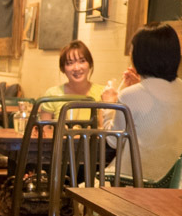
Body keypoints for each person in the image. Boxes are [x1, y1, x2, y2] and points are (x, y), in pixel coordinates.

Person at [102, 23, 182, 180]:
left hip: (130, 183)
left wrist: (108, 105)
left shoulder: (129, 96)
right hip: (173, 187)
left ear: (140, 55)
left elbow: (112, 141)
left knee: (81, 189)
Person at [39, 40, 104, 121]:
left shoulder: (103, 93)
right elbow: (44, 131)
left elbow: (106, 129)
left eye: (82, 61)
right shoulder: (52, 95)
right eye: (70, 63)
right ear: (63, 68)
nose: (76, 68)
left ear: (90, 64)